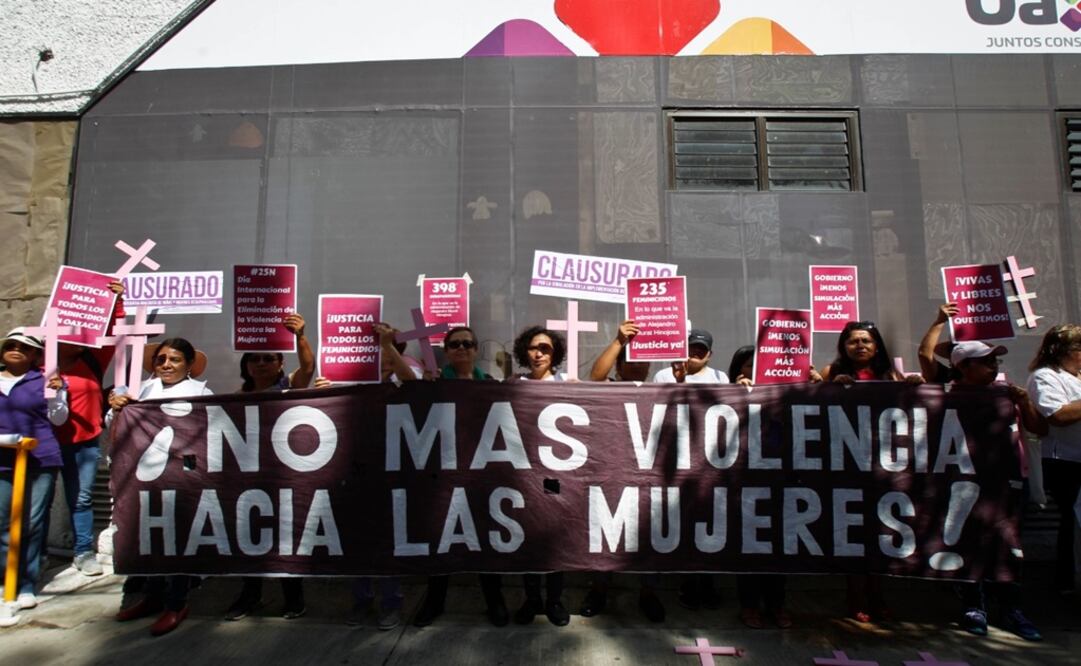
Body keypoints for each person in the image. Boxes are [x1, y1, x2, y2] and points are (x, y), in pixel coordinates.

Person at [408, 325, 509, 628]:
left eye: (467, 343)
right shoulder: (435, 381)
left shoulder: (490, 383)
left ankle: (495, 601)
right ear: (447, 351)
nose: (462, 348)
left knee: (485, 542)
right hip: (444, 474)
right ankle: (434, 602)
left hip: (481, 475)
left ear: (476, 350)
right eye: (455, 344)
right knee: (442, 539)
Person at [109, 337, 211, 636]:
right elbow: (115, 430)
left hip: (182, 478)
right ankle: (152, 597)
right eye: (161, 359)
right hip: (144, 478)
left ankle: (176, 602)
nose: (166, 364)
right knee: (151, 537)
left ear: (189, 365)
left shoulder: (202, 393)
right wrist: (117, 409)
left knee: (178, 539)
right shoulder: (140, 389)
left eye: (175, 359)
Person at [822, 320, 922, 623]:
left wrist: (915, 386)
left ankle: (877, 596)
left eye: (866, 340)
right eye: (853, 341)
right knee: (852, 534)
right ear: (844, 346)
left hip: (882, 468)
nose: (860, 346)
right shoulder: (831, 372)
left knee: (881, 534)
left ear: (876, 345)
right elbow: (810, 407)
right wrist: (829, 388)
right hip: (847, 467)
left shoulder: (890, 375)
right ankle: (855, 597)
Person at [944, 341, 1043, 641]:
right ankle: (975, 606)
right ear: (963, 367)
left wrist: (1024, 403)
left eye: (994, 362)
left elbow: (1041, 429)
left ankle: (1012, 609)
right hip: (963, 484)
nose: (993, 367)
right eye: (985, 362)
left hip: (1008, 482)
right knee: (969, 543)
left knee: (1009, 544)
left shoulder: (1007, 393)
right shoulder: (947, 396)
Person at [224, 313, 314, 621]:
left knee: (287, 539)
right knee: (250, 540)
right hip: (248, 481)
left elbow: (308, 369)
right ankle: (250, 596)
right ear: (246, 365)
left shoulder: (288, 387)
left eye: (269, 358)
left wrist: (300, 336)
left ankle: (294, 598)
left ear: (279, 364)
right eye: (255, 358)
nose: (261, 363)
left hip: (284, 477)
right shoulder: (236, 398)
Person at [580, 320, 664, 622]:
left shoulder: (660, 390)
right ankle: (599, 589)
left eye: (643, 360)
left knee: (650, 536)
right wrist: (618, 340)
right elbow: (595, 376)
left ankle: (649, 593)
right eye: (630, 359)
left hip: (649, 478)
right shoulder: (610, 389)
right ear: (620, 365)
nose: (637, 365)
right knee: (605, 535)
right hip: (610, 476)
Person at [52, 280, 125, 577]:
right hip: (44, 443)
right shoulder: (40, 363)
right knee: (37, 502)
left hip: (84, 442)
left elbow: (116, 333)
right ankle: (31, 556)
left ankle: (83, 551)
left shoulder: (92, 361)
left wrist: (118, 302)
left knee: (81, 498)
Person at [652, 328, 727, 610]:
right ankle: (687, 583)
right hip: (675, 460)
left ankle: (705, 583)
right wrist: (680, 381)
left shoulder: (721, 378)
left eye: (700, 350)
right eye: (691, 348)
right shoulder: (664, 374)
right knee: (679, 523)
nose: (694, 354)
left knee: (709, 525)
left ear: (709, 354)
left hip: (710, 462)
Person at [0, 328, 67, 628]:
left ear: (35, 356)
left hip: (40, 460)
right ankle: (6, 580)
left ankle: (26, 584)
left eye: (24, 347)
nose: (16, 350)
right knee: (2, 523)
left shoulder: (44, 382)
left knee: (32, 522)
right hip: (2, 461)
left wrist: (59, 393)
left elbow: (59, 419)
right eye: (10, 345)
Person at [727, 344, 792, 629]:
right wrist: (737, 393)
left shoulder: (787, 394)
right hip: (742, 483)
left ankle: (777, 605)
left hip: (779, 482)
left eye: (761, 365)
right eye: (748, 366)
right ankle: (749, 605)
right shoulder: (728, 395)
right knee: (749, 549)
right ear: (738, 370)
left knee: (777, 547)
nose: (754, 371)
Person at [511, 325, 570, 627]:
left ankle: (554, 600)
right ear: (525, 351)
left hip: (557, 477)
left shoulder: (566, 383)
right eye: (534, 348)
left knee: (553, 540)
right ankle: (532, 599)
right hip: (524, 476)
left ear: (555, 353)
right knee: (528, 540)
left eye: (545, 348)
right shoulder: (513, 385)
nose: (538, 353)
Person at [1025, 324, 1081, 597]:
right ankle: (1068, 581)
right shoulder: (1045, 377)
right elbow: (1057, 415)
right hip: (1066, 461)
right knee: (1073, 522)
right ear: (1065, 351)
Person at [652, 329, 728, 384]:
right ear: (684, 348)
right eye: (693, 346)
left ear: (709, 355)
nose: (697, 351)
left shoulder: (720, 378)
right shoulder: (663, 376)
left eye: (702, 348)